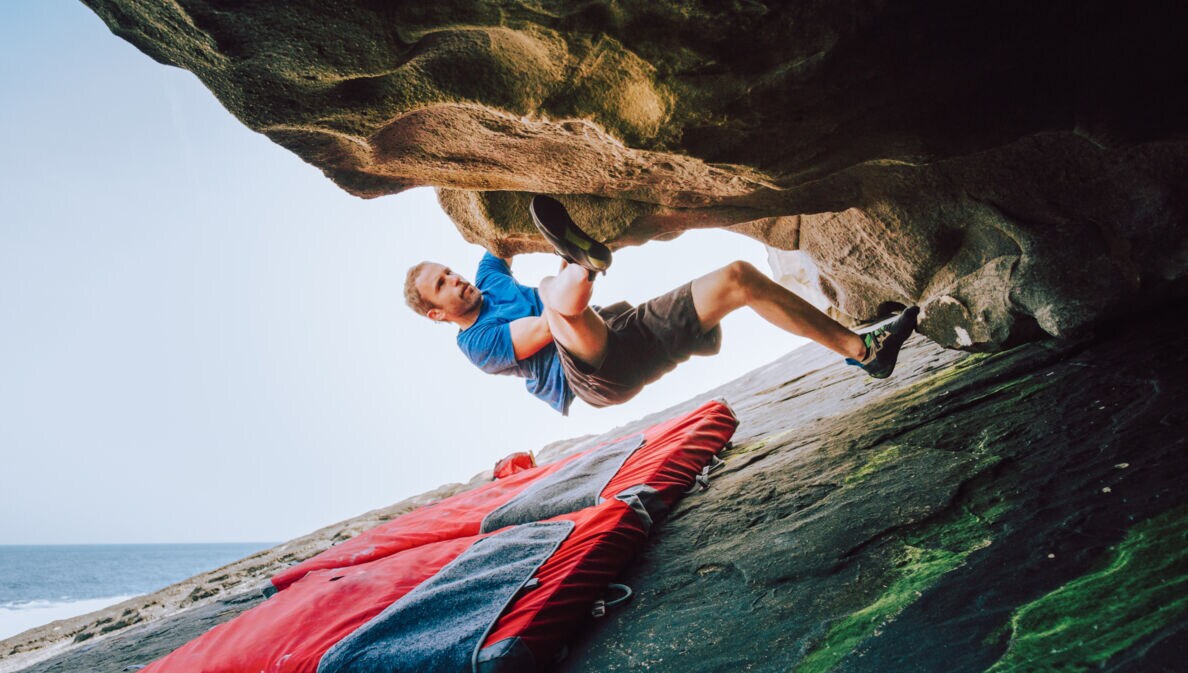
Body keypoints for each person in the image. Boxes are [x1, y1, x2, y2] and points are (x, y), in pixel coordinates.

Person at [404, 196, 918, 414]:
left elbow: (497, 235)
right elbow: (541, 329)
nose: (455, 280)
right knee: (558, 309)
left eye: (449, 271)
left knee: (738, 278)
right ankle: (582, 265)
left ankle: (864, 352)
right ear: (435, 313)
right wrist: (563, 276)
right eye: (442, 285)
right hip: (592, 376)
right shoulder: (476, 343)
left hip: (623, 330)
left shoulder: (488, 279)